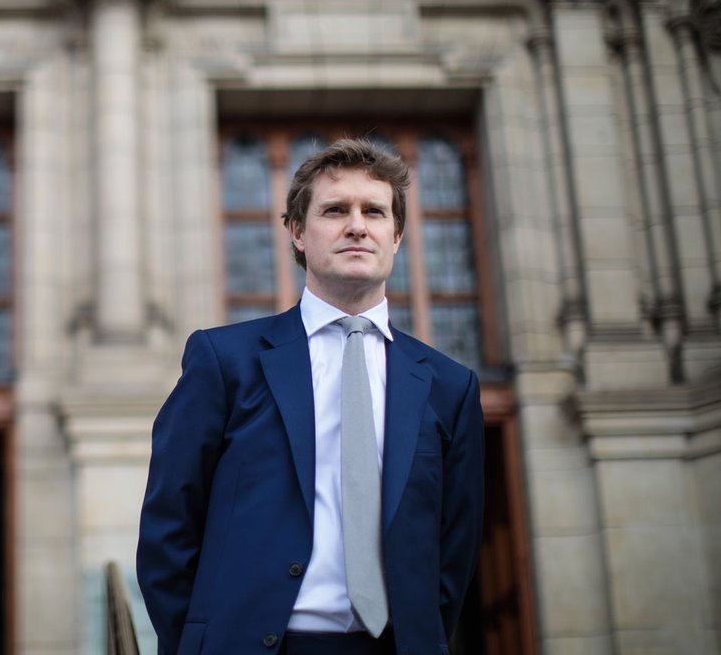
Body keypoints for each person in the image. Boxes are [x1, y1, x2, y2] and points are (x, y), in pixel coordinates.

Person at [137, 139, 484, 655]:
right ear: (298, 233)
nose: (357, 226)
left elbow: (454, 552)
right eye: (335, 210)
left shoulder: (450, 387)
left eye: (374, 211)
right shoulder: (224, 361)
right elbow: (169, 524)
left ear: (397, 235)